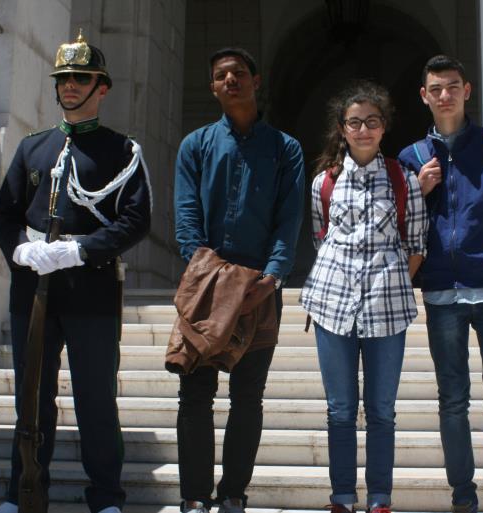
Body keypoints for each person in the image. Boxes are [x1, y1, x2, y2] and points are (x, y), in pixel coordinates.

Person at [0, 30, 152, 513]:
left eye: (81, 78)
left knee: (96, 401)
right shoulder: (32, 148)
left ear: (101, 86)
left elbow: (136, 220)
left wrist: (81, 251)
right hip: (33, 291)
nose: (70, 86)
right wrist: (21, 250)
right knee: (31, 401)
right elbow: (5, 213)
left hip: (91, 290)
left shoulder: (121, 152)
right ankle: (23, 493)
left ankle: (106, 497)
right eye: (63, 78)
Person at [398, 55, 483, 513]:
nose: (444, 95)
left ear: (467, 90)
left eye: (452, 86)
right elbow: (399, 226)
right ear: (424, 95)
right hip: (442, 294)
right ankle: (463, 496)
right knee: (452, 401)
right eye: (436, 88)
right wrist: (418, 189)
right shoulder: (412, 158)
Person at [173, 47, 305, 513]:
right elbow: (186, 217)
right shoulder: (195, 145)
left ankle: (233, 495)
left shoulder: (285, 148)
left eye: (238, 73)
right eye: (220, 75)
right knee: (195, 395)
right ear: (212, 87)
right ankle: (194, 496)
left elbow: (289, 219)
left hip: (260, 288)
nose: (230, 80)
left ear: (256, 80)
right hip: (205, 285)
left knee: (247, 397)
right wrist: (207, 273)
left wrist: (270, 278)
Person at [300, 80, 428, 513]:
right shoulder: (323, 182)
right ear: (342, 128)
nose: (363, 130)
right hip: (332, 307)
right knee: (339, 410)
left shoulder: (402, 178)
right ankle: (341, 497)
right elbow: (322, 239)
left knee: (381, 411)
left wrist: (388, 279)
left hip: (387, 308)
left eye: (372, 122)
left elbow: (416, 245)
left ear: (383, 127)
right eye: (354, 122)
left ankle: (379, 498)